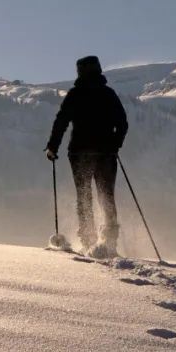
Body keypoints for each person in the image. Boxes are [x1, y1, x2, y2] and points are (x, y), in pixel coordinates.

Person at [45, 55, 128, 256]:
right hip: (106, 154)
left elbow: (61, 121)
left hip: (79, 153)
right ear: (98, 70)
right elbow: (123, 123)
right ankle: (109, 243)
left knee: (84, 196)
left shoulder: (75, 94)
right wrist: (114, 145)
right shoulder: (108, 94)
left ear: (80, 72)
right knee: (106, 196)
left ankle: (89, 240)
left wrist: (52, 147)